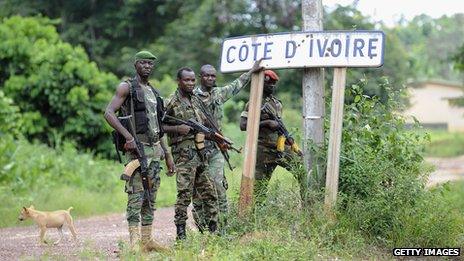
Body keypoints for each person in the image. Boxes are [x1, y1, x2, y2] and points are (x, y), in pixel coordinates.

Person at [104, 50, 175, 252]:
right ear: (136, 65)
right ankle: (134, 243)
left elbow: (159, 128)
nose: (147, 66)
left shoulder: (154, 92)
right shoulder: (126, 87)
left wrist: (167, 154)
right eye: (143, 63)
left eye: (150, 64)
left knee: (151, 197)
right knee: (136, 195)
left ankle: (147, 240)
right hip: (137, 150)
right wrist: (128, 137)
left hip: (154, 151)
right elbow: (108, 113)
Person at [191, 60, 263, 232]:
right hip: (195, 150)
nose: (210, 78)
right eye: (207, 75)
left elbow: (236, 85)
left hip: (215, 149)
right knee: (198, 191)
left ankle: (222, 228)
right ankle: (203, 228)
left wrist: (251, 71)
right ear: (200, 77)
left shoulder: (218, 94)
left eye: (213, 76)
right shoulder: (190, 96)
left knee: (219, 187)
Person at [162, 67, 218, 240]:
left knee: (210, 192)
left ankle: (213, 230)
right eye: (187, 80)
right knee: (184, 194)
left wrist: (216, 136)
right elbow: (158, 127)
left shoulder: (196, 99)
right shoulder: (170, 101)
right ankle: (181, 233)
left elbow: (205, 123)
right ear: (178, 81)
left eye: (193, 80)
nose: (191, 83)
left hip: (200, 153)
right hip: (183, 155)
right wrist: (178, 128)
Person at [239, 70, 305, 205]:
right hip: (262, 150)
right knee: (259, 187)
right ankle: (256, 215)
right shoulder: (253, 102)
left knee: (302, 169)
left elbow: (280, 123)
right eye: (269, 84)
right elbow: (243, 125)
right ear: (261, 83)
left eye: (274, 84)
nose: (272, 87)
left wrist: (288, 138)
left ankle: (307, 203)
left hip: (279, 146)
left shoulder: (277, 103)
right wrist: (266, 123)